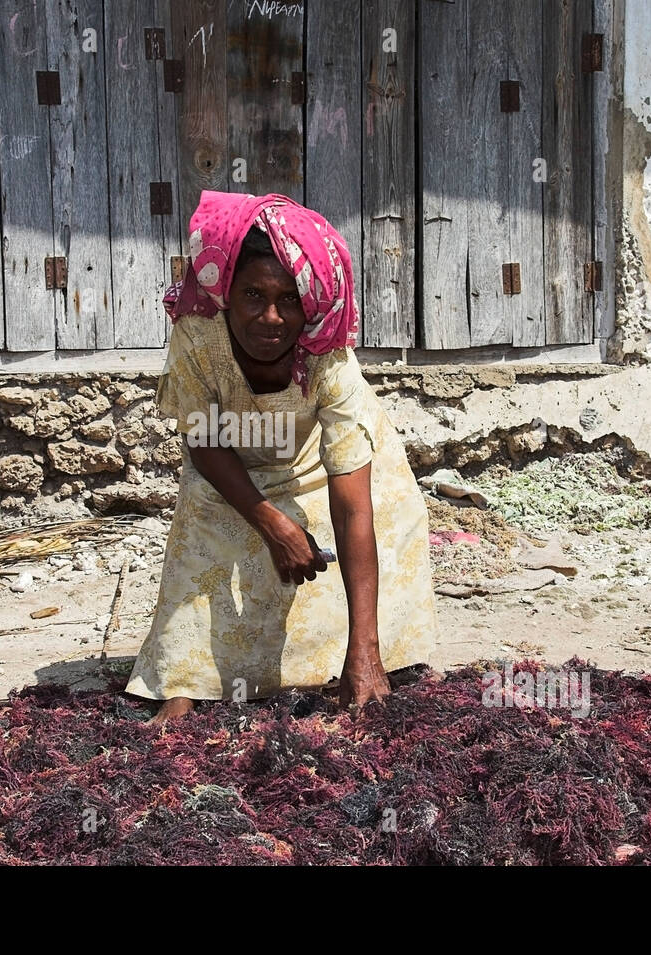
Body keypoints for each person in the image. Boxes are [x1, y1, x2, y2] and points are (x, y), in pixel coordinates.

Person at [125, 190, 438, 723]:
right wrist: (272, 524)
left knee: (383, 526)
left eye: (289, 299)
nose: (270, 318)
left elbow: (352, 505)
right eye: (252, 295)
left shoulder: (329, 360)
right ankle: (183, 679)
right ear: (226, 294)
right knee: (202, 540)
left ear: (310, 304)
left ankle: (368, 656)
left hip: (320, 467)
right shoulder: (198, 338)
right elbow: (204, 442)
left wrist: (363, 647)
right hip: (230, 467)